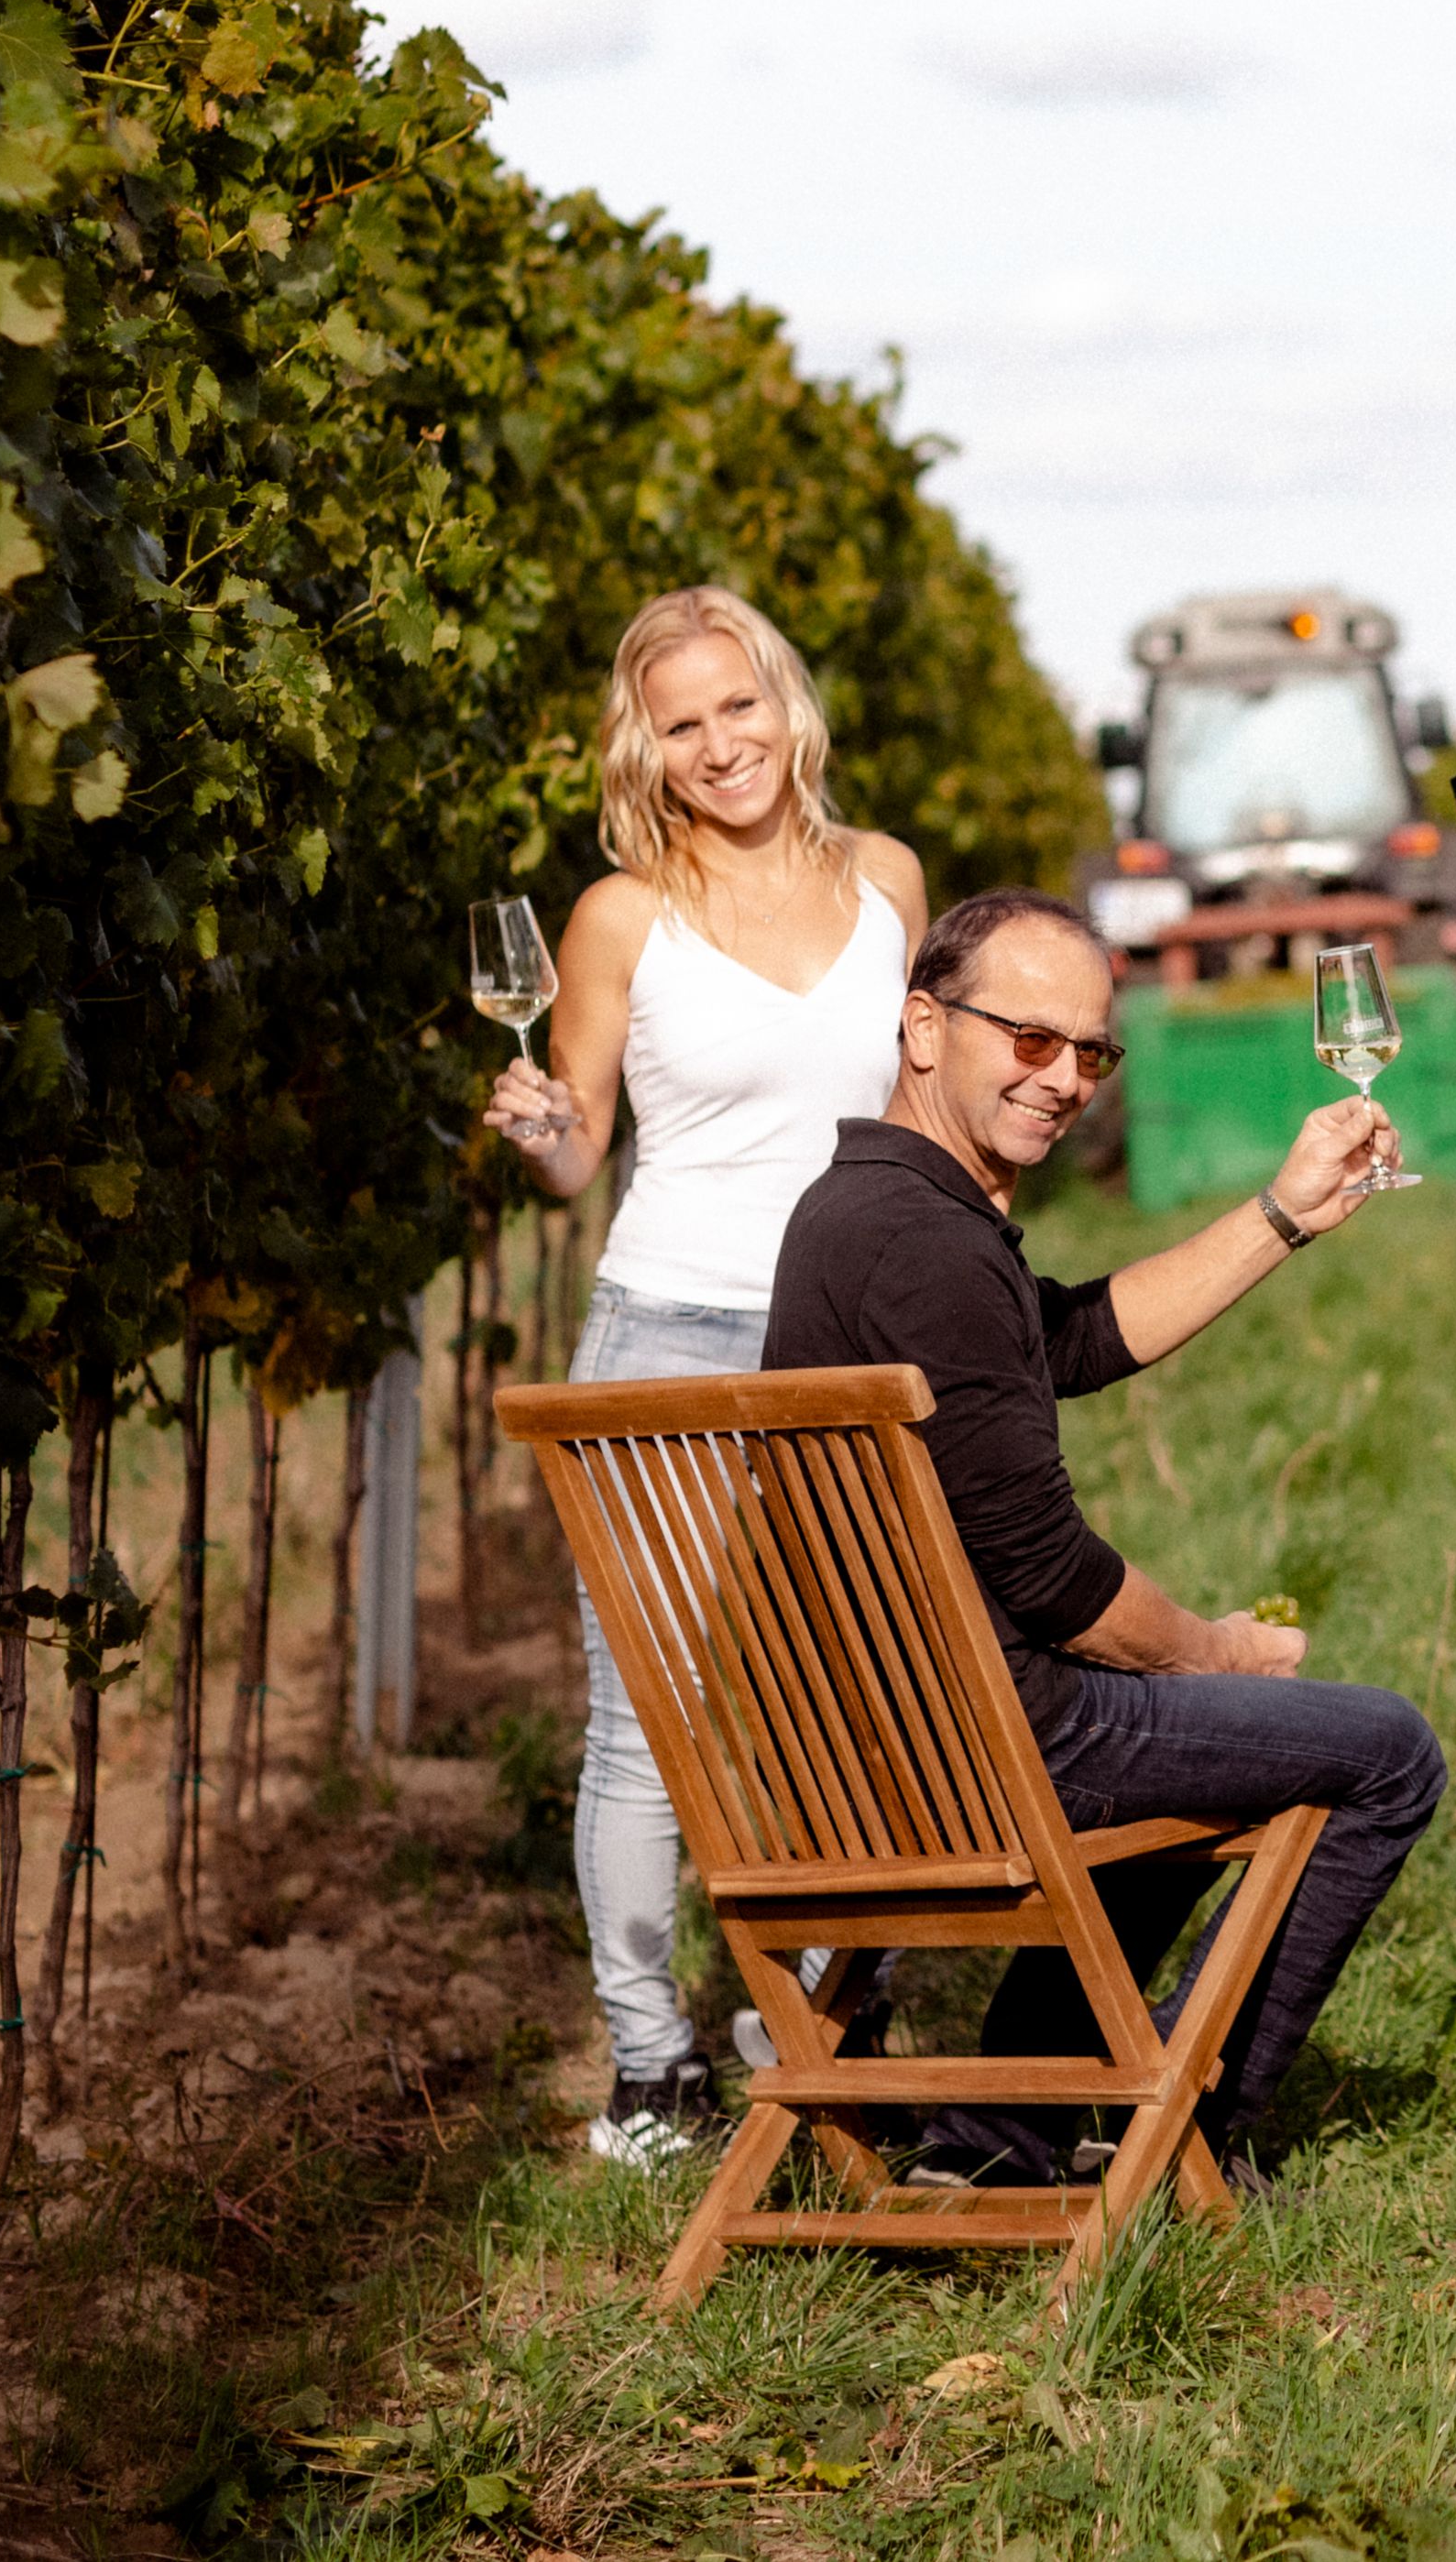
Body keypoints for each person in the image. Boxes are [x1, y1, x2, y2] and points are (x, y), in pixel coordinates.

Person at [764, 887, 1446, 2187]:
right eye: (1028, 1038)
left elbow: (1065, 1335)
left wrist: (1283, 1214)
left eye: (1091, 1051)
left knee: (1190, 1744)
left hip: (873, 1732)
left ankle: (998, 2138)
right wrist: (1215, 1653)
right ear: (923, 1026)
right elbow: (1052, 1577)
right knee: (1388, 1754)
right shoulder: (930, 1248)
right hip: (985, 1745)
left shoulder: (862, 1209)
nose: (1064, 1076)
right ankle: (1182, 2117)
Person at [486, 586, 928, 2170]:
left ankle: (810, 2017)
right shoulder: (622, 913)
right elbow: (580, 1149)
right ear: (649, 750)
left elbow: (918, 1121)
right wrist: (543, 1132)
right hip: (669, 1332)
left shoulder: (887, 880)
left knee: (870, 1696)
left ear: (784, 703)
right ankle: (649, 2067)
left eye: (738, 706)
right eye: (683, 724)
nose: (720, 743)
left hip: (848, 1338)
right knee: (647, 1723)